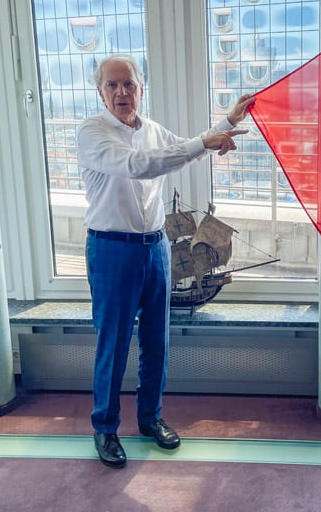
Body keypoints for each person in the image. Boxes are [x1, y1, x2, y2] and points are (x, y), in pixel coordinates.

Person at [77, 53, 254, 468]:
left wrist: (227, 122)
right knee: (113, 345)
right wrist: (202, 143)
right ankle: (104, 429)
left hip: (154, 248)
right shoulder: (92, 132)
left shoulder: (152, 129)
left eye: (129, 84)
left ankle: (150, 419)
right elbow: (139, 165)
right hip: (111, 250)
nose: (122, 92)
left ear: (141, 88)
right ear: (100, 92)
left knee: (157, 341)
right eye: (112, 85)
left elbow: (180, 150)